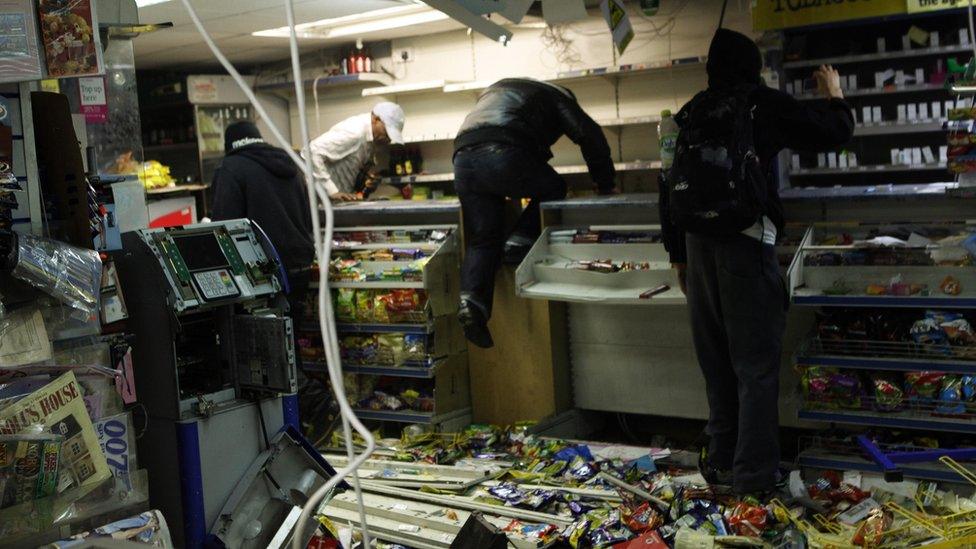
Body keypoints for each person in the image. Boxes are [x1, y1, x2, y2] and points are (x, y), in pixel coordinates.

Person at [659, 29, 854, 496]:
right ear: (753, 67)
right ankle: (754, 480)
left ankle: (722, 464)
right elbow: (835, 133)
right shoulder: (760, 103)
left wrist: (678, 256)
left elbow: (666, 183)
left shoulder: (691, 111)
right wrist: (835, 94)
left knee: (719, 367)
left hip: (697, 251)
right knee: (756, 369)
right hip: (745, 246)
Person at [453, 78, 616, 348]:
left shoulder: (502, 88)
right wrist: (605, 182)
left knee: (484, 236)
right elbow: (589, 133)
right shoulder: (556, 97)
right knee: (554, 186)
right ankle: (519, 243)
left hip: (462, 159)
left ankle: (472, 305)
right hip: (502, 150)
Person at [211, 121, 314, 323]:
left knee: (264, 345)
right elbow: (307, 215)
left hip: (263, 274)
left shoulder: (231, 168)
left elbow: (223, 225)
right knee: (293, 337)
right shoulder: (291, 162)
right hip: (300, 265)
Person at [307, 102, 405, 202]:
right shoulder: (355, 131)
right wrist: (332, 191)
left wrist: (366, 184)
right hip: (314, 201)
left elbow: (349, 172)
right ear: (376, 119)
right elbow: (312, 151)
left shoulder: (370, 141)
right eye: (387, 132)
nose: (388, 140)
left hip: (334, 203)